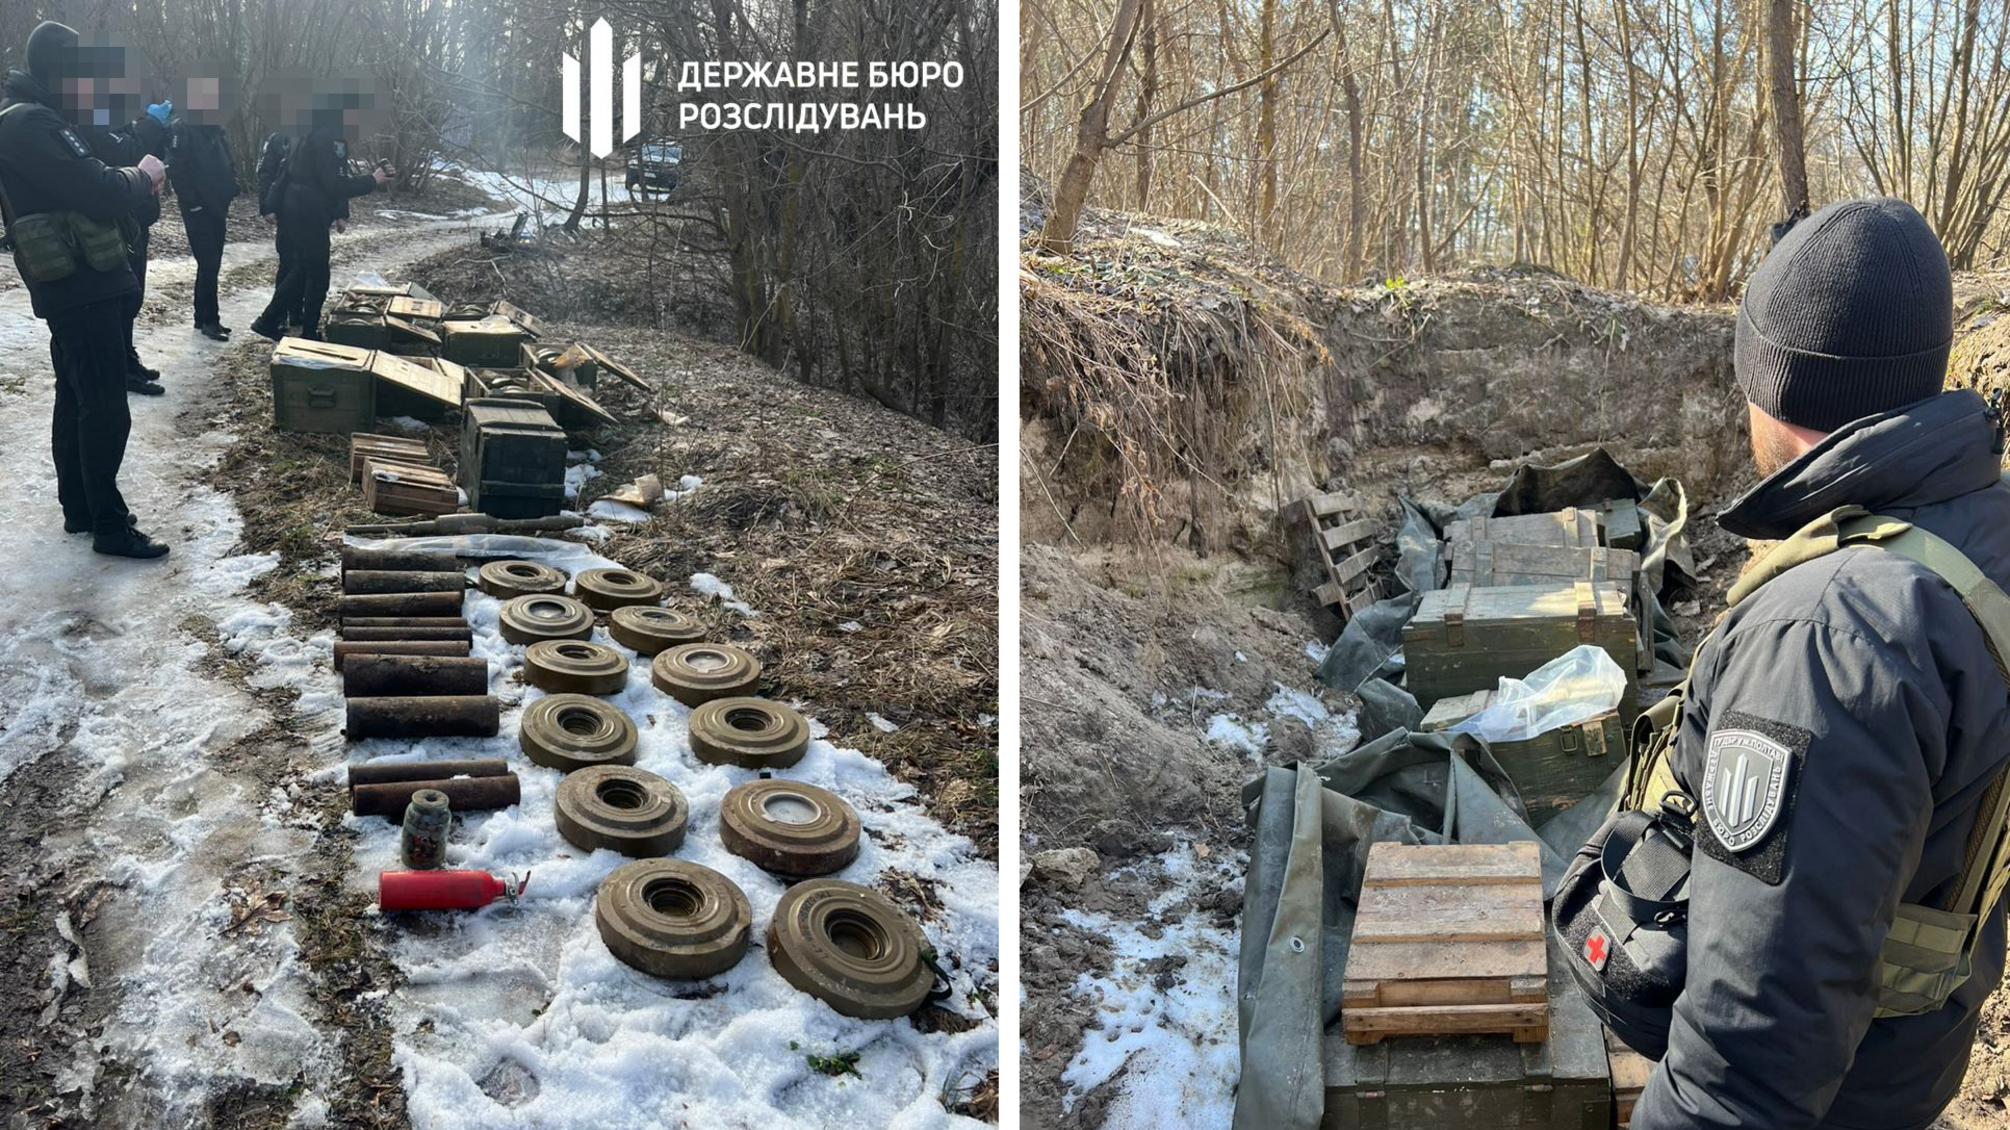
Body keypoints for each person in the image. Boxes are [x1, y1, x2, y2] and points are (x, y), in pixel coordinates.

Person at [1628, 197, 2010, 1128]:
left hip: (1832, 1095)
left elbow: (1745, 1065)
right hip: (1902, 1054)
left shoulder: (1827, 633)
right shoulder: (1978, 534)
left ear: (1777, 382)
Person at [0, 21, 170, 558]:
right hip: (80, 284)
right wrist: (142, 175)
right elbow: (96, 190)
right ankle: (110, 527)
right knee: (102, 405)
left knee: (76, 396)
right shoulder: (30, 123)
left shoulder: (34, 120)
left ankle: (82, 507)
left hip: (75, 282)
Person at [249, 109, 391, 341]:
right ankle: (295, 328)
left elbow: (288, 172)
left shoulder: (309, 131)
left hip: (296, 208)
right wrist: (371, 181)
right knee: (317, 275)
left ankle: (278, 321)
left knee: (302, 270)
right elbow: (334, 184)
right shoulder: (329, 139)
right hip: (309, 212)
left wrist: (271, 204)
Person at [86, 96, 170, 394]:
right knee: (122, 300)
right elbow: (126, 152)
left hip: (135, 223)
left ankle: (127, 358)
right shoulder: (92, 116)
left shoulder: (118, 119)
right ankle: (120, 370)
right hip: (115, 226)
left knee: (133, 296)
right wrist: (152, 124)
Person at [166, 102, 238, 339]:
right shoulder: (183, 128)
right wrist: (192, 203)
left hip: (217, 206)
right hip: (198, 209)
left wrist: (231, 188)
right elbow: (177, 169)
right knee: (208, 263)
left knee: (211, 263)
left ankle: (201, 316)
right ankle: (210, 320)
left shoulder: (215, 131)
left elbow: (227, 163)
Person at [254, 127, 290, 296]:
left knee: (310, 265)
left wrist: (340, 212)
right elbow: (265, 174)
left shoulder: (321, 136)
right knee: (288, 262)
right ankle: (281, 313)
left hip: (314, 211)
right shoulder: (278, 139)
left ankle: (298, 312)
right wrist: (267, 207)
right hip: (285, 210)